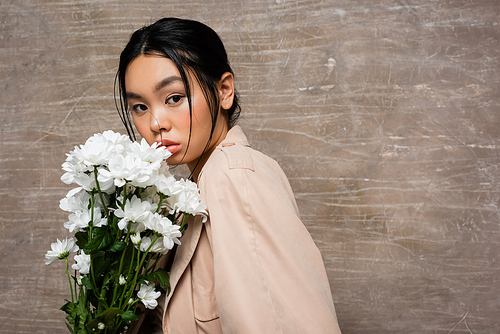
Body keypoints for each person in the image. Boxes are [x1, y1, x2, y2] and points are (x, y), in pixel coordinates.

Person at [116, 17, 342, 334]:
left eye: (174, 98)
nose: (156, 123)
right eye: (140, 106)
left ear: (224, 91)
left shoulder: (232, 176)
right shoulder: (197, 188)